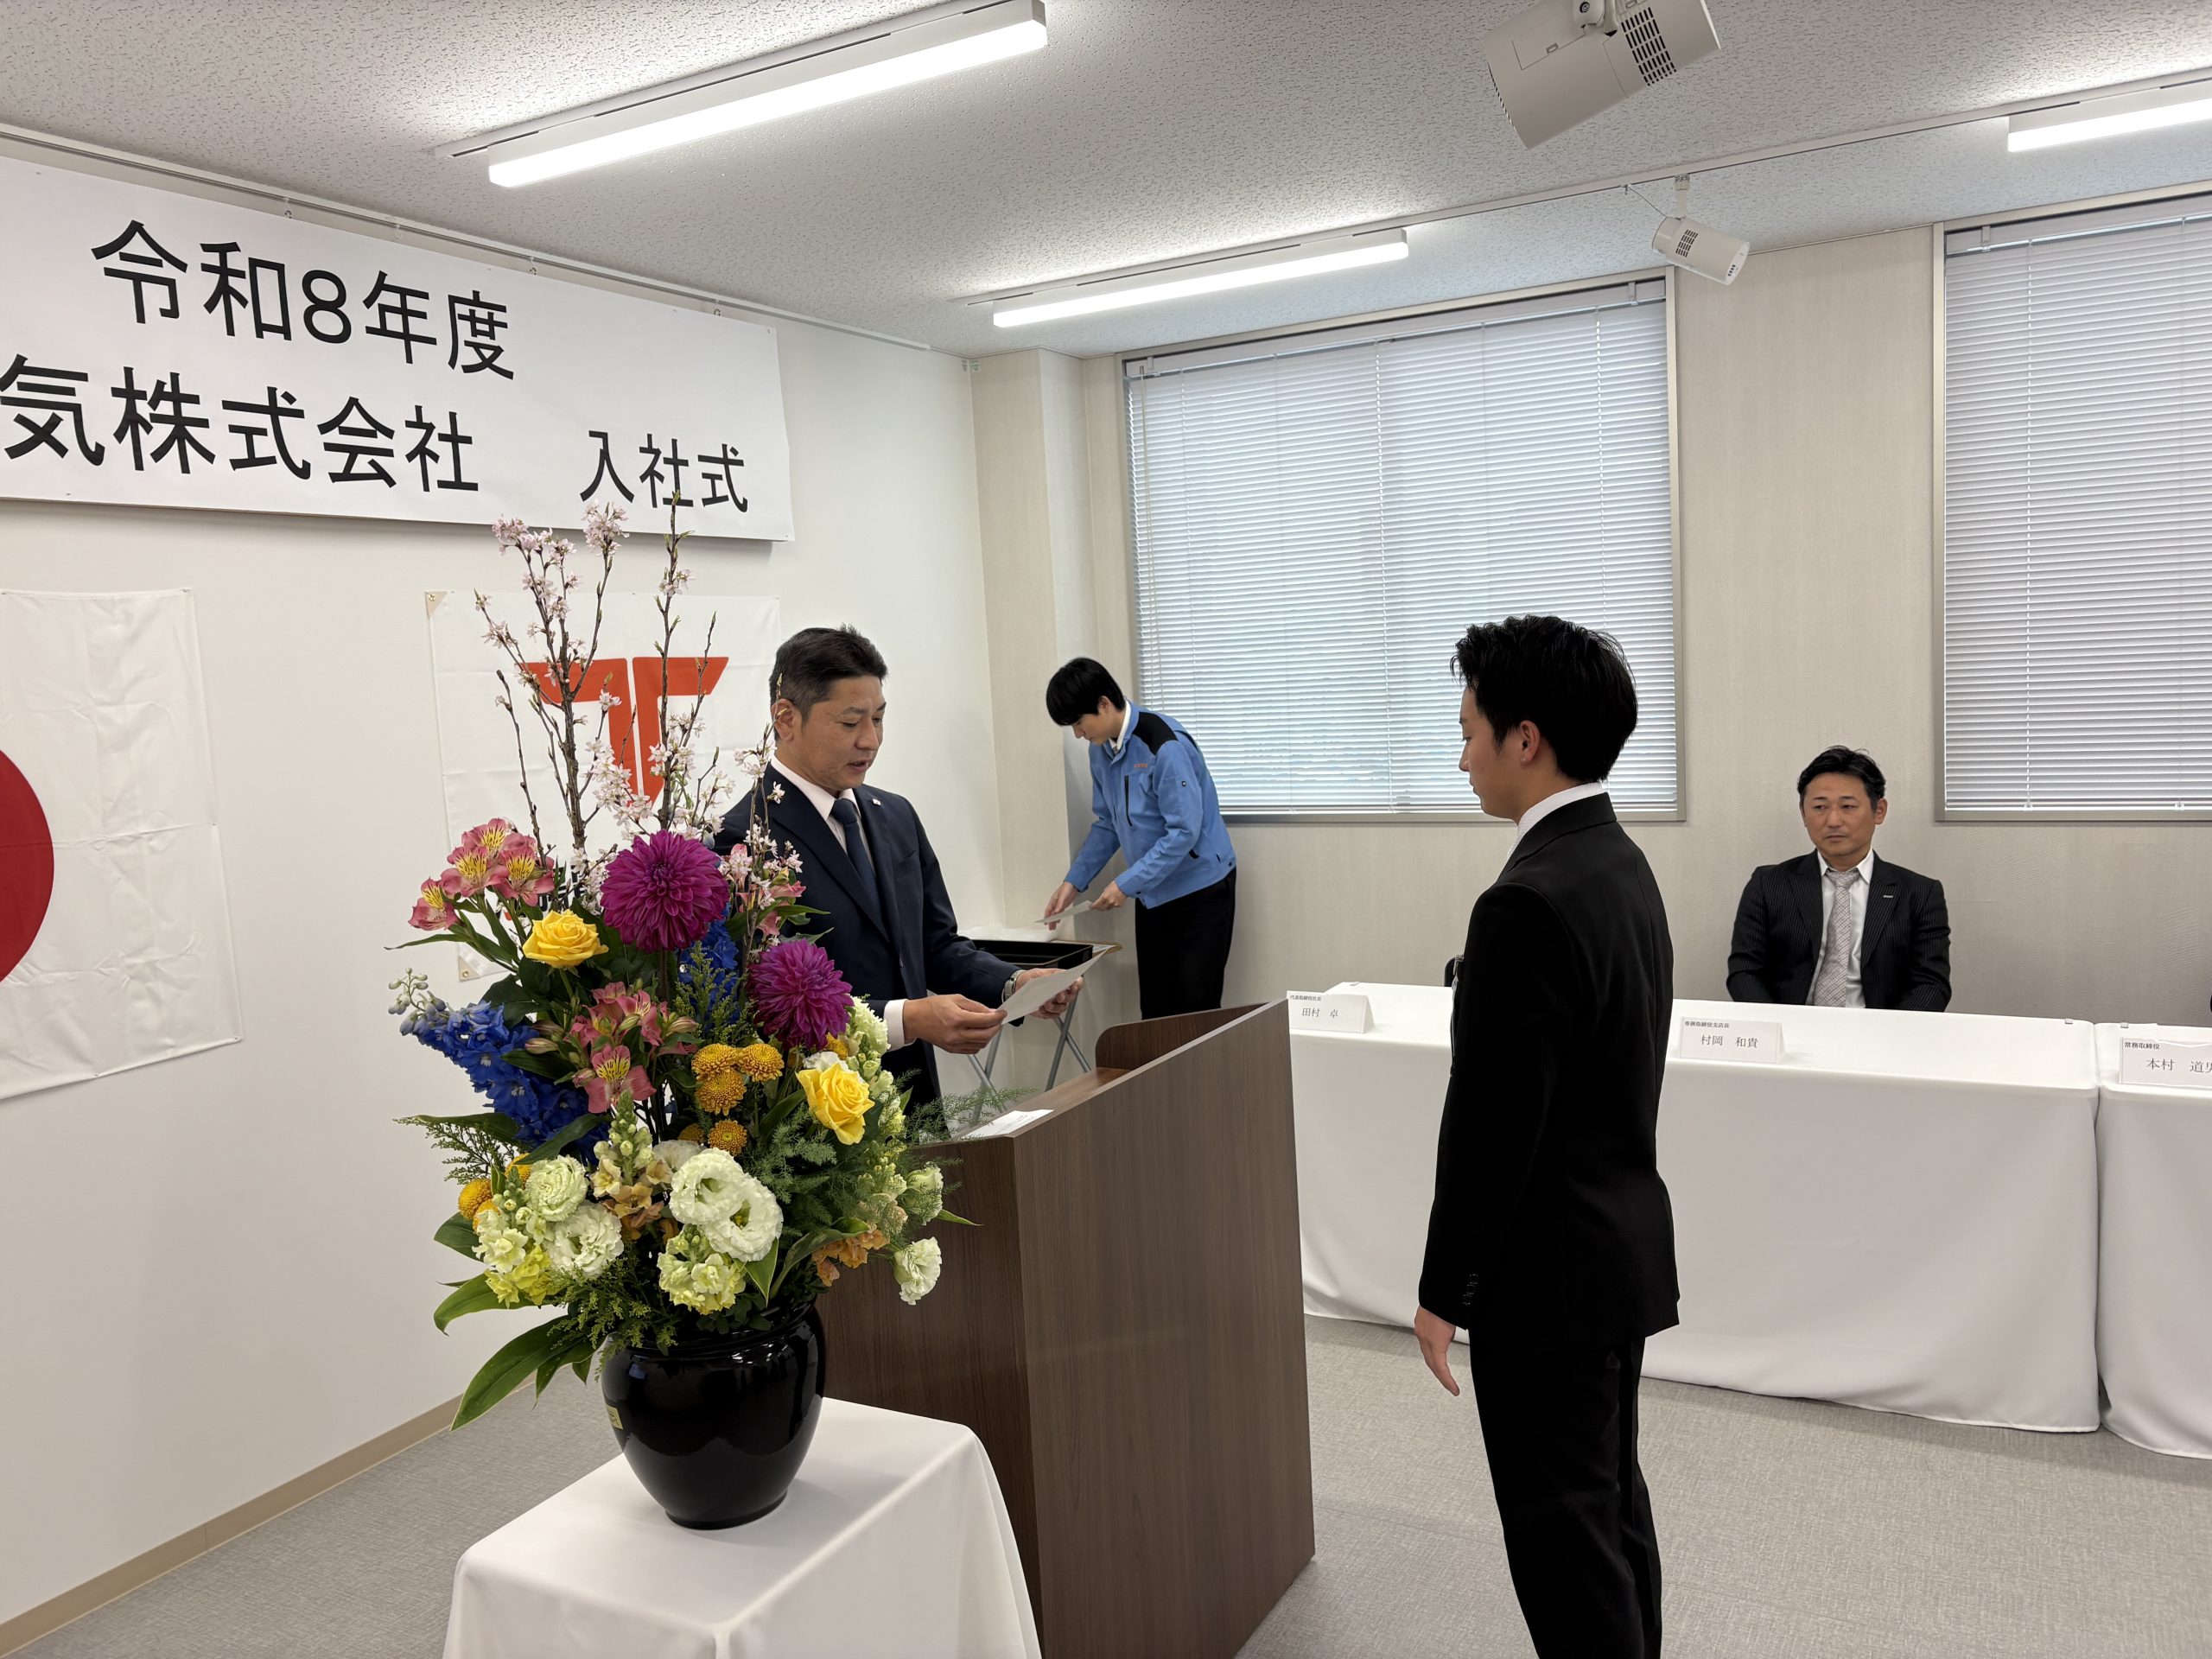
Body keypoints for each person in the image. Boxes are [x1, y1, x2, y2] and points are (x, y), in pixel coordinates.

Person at [1414, 614, 1675, 1659]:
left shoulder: (1523, 901)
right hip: (1613, 1250)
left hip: (1549, 1278)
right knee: (1606, 1508)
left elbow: (1491, 1130)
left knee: (1563, 1539)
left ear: (1526, 739)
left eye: (1468, 732)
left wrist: (1445, 1290)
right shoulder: (1617, 859)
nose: (1462, 756)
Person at [714, 626, 1073, 1104]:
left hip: (916, 1099)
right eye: (851, 723)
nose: (871, 740)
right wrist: (908, 1019)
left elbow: (934, 945)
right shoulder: (741, 843)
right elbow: (766, 1003)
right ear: (786, 718)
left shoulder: (895, 815)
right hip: (816, 1113)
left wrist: (1012, 983)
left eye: (879, 719)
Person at [1041, 657, 1237, 1020]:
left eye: (1079, 723)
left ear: (1103, 704)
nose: (1078, 734)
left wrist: (1126, 884)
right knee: (1156, 1013)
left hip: (1200, 890)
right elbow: (1108, 823)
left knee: (1196, 1012)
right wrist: (1074, 881)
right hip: (1153, 891)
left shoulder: (1164, 745)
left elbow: (1184, 832)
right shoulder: (1100, 750)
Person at [1726, 746, 1950, 1011]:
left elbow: (1931, 983)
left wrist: (1888, 1032)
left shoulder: (1920, 893)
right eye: (1820, 807)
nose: (1833, 820)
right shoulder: (1768, 884)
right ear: (1803, 813)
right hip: (1791, 1026)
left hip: (1880, 1030)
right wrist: (1780, 1025)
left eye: (1848, 806)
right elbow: (1745, 971)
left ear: (1879, 811)